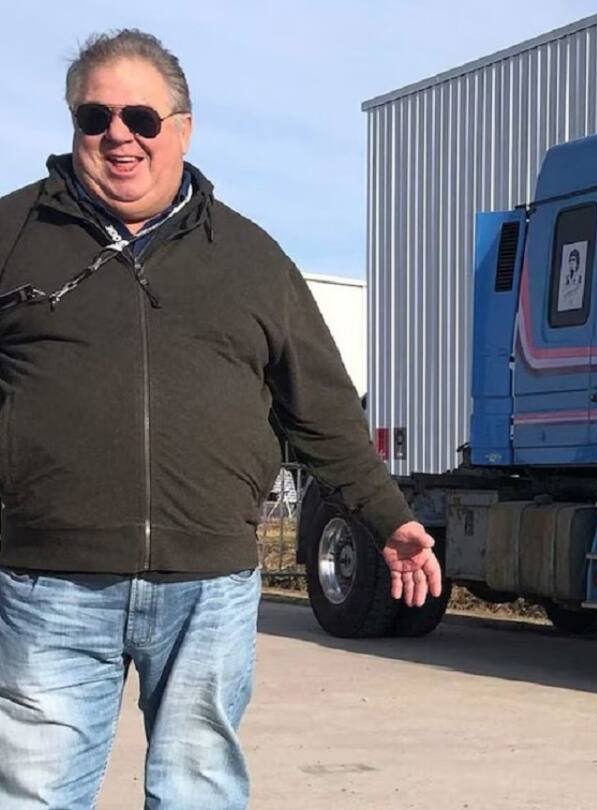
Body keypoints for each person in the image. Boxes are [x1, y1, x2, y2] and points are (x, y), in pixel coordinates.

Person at [0, 29, 442, 809]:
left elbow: (326, 409)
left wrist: (388, 518)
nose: (118, 136)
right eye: (94, 117)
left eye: (140, 116)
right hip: (50, 581)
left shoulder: (249, 257)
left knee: (198, 790)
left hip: (208, 587)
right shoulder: (11, 237)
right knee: (31, 793)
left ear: (183, 127)